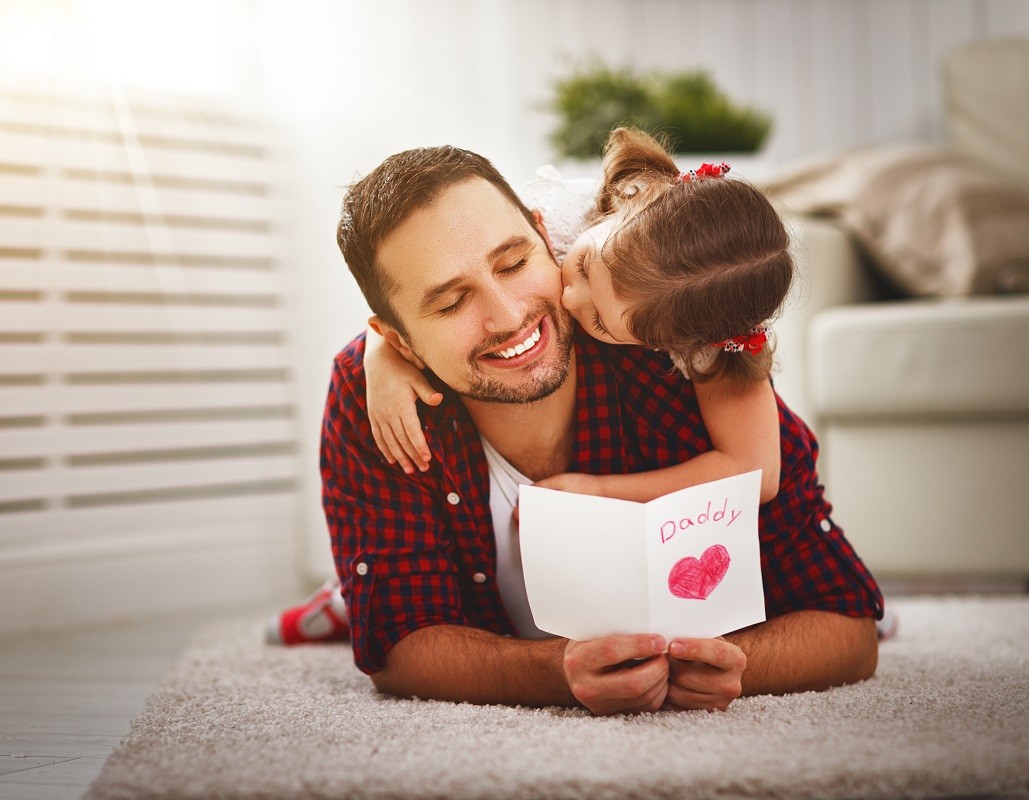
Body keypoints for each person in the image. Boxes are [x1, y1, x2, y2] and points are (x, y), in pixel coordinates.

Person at [290, 142, 884, 715]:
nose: (508, 317)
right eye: (450, 304)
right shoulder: (379, 399)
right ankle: (339, 600)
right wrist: (560, 672)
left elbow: (848, 627)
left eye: (515, 263)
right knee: (367, 602)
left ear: (546, 234)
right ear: (399, 340)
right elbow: (400, 644)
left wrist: (736, 664)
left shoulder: (669, 337)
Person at [363, 127, 786, 512]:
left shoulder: (700, 337)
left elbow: (758, 476)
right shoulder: (566, 213)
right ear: (628, 202)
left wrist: (600, 492)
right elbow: (423, 270)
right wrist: (380, 354)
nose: (568, 297)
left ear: (658, 346)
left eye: (599, 321)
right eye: (582, 266)